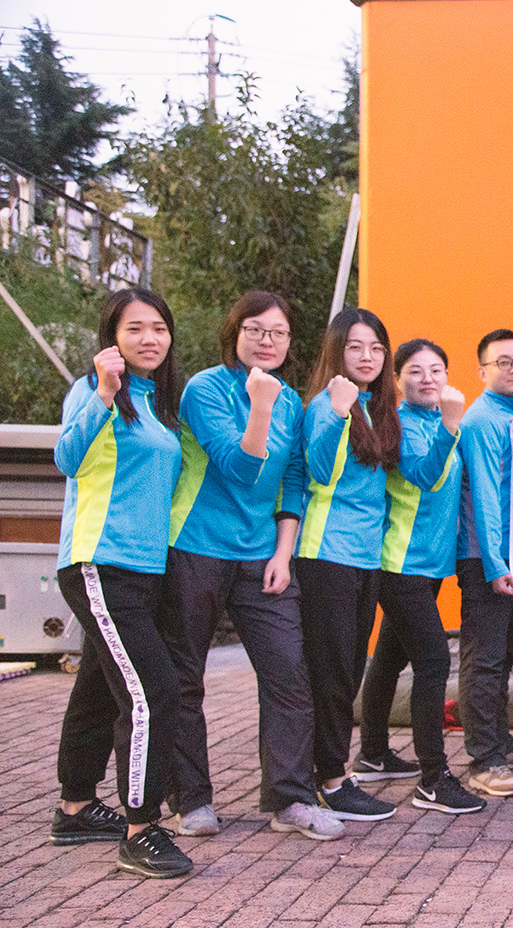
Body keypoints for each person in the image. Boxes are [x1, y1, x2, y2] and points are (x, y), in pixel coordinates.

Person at [162, 291, 342, 843]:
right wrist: (259, 403)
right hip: (195, 546)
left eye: (278, 333)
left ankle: (290, 798)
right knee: (184, 677)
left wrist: (283, 555)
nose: (268, 341)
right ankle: (191, 799)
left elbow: (294, 480)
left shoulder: (289, 401)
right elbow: (239, 467)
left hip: (262, 553)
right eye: (256, 330)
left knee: (288, 675)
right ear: (234, 333)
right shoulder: (206, 389)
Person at [51, 288, 190, 878]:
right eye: (135, 328)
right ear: (112, 336)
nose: (149, 339)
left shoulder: (158, 402)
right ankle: (141, 828)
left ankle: (76, 807)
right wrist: (104, 394)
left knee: (100, 688)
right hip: (99, 562)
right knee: (153, 691)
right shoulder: (92, 389)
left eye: (159, 328)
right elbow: (67, 459)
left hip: (144, 568)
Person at [356, 339, 489, 814]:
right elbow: (424, 476)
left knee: (389, 657)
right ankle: (433, 779)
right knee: (433, 663)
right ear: (397, 380)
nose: (428, 378)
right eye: (415, 371)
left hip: (430, 565)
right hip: (399, 563)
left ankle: (373, 754)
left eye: (436, 369)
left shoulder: (441, 421)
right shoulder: (396, 424)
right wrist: (451, 425)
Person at [296, 307, 403, 821]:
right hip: (325, 555)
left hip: (363, 558)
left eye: (376, 348)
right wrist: (339, 415)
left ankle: (329, 771)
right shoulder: (329, 404)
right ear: (336, 351)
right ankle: (331, 780)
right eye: (355, 347)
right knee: (333, 672)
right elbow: (320, 471)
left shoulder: (376, 408)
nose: (367, 356)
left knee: (349, 668)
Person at [456, 328, 513, 798]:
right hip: (487, 558)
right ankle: (484, 760)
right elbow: (486, 497)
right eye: (503, 362)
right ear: (482, 372)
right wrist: (495, 564)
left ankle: (502, 742)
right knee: (486, 658)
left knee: (507, 653)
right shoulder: (481, 421)